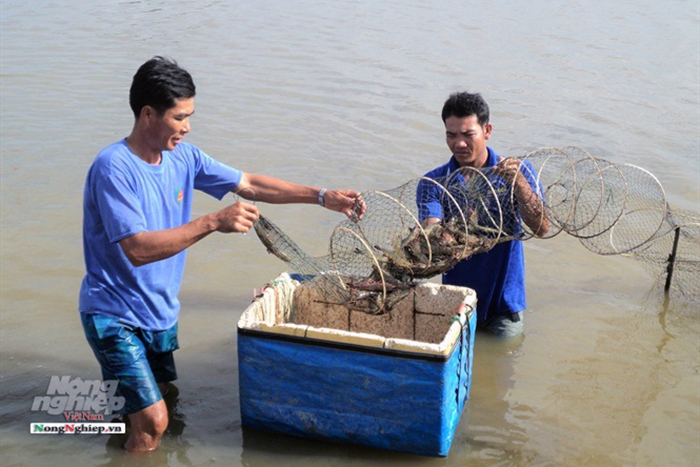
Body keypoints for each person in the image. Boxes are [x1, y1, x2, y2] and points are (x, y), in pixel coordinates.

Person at [79, 56, 363, 452]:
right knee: (154, 422)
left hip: (159, 312)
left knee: (153, 407)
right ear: (148, 114)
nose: (188, 126)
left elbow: (247, 183)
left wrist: (321, 196)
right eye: (180, 117)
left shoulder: (184, 157)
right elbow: (138, 250)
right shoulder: (114, 168)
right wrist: (213, 221)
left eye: (190, 116)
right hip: (114, 314)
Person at [419, 92, 549, 338]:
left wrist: (520, 185)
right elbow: (431, 228)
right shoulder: (433, 183)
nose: (459, 143)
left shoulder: (518, 172)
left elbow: (542, 228)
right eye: (451, 135)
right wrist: (436, 236)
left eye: (468, 134)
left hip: (503, 307)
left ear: (487, 130)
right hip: (455, 304)